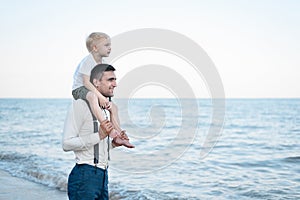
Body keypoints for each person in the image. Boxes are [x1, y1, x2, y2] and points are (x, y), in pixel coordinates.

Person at [63, 64, 127, 200]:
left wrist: (114, 143)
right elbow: (66, 144)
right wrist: (99, 135)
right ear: (96, 83)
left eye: (115, 80)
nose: (115, 84)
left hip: (103, 177)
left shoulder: (103, 109)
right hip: (84, 178)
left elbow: (96, 147)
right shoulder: (80, 105)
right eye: (110, 80)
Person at [72, 32, 134, 148]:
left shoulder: (103, 63)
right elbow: (86, 82)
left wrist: (104, 98)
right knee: (93, 97)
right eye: (106, 45)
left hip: (94, 89)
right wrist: (100, 97)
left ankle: (119, 135)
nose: (110, 48)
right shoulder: (88, 61)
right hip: (80, 89)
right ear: (95, 48)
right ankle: (107, 128)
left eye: (110, 45)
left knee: (113, 107)